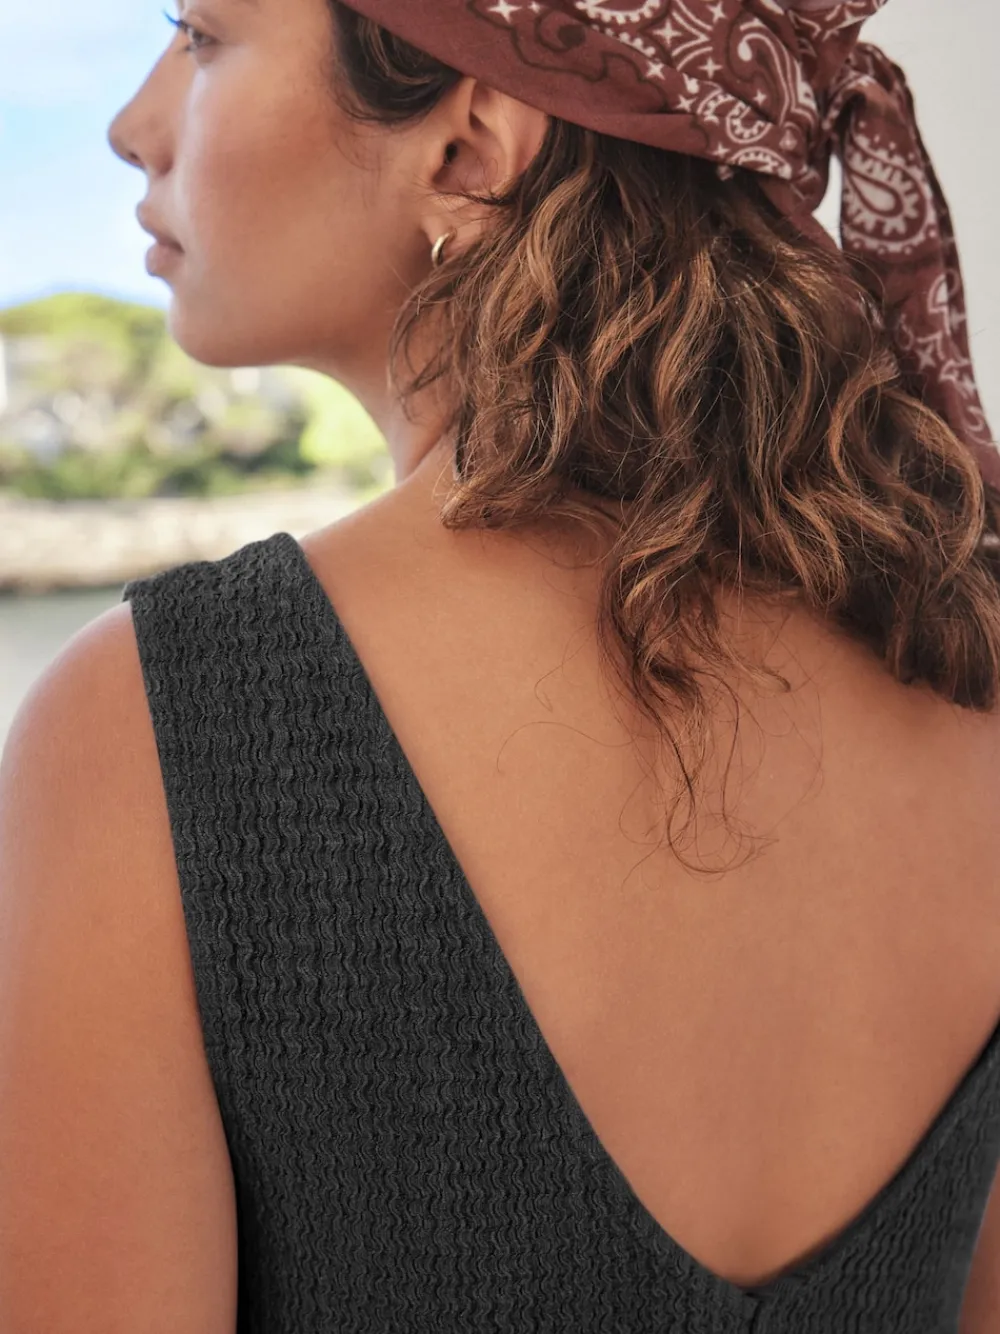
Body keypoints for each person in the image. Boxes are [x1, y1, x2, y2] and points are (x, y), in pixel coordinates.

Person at [2, 0, 999, 1329]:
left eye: (200, 35)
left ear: (468, 148)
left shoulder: (156, 727)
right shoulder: (966, 677)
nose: (134, 127)